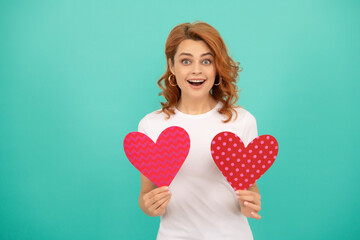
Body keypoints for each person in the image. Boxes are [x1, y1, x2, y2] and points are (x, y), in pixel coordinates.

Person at [137, 21, 262, 240]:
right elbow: (146, 195)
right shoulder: (151, 125)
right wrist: (149, 206)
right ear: (172, 66)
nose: (197, 70)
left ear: (216, 67)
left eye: (206, 61)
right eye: (186, 61)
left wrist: (250, 203)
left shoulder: (242, 121)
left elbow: (250, 188)